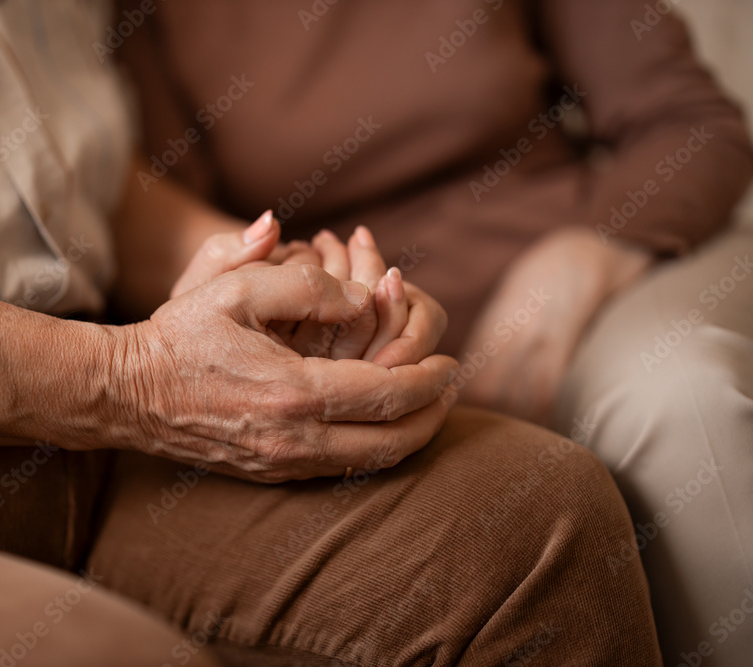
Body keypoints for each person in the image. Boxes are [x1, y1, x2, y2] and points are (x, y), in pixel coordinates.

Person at [0, 1, 662, 665]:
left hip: (80, 424)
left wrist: (262, 279)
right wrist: (130, 378)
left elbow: (72, 179)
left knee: (539, 517)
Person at [115, 0, 753, 662]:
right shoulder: (146, 19)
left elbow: (694, 125)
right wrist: (333, 313)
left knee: (682, 398)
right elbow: (186, 244)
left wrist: (589, 252)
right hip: (360, 335)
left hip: (600, 273)